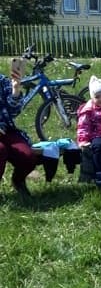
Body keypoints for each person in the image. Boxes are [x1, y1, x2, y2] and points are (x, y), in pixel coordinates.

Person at [0, 60, 37, 197]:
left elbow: (14, 112)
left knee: (28, 157)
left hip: (5, 130)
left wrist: (15, 91)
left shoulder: (2, 81)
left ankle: (18, 181)